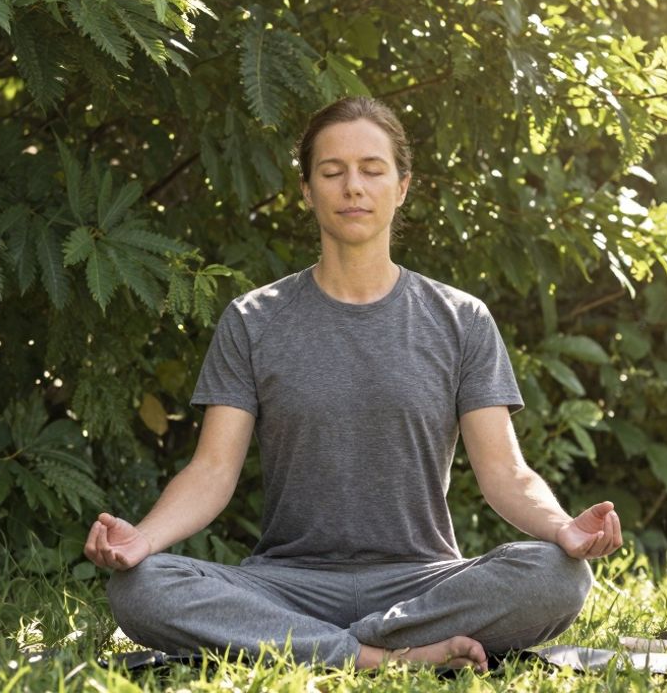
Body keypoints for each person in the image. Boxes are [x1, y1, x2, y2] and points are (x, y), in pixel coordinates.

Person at [84, 96, 623, 673]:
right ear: (307, 191)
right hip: (287, 586)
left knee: (556, 575)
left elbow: (505, 473)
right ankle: (382, 657)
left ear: (402, 186)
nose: (353, 188)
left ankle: (316, 646)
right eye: (332, 172)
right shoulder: (253, 319)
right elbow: (213, 471)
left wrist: (563, 528)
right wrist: (141, 540)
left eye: (372, 170)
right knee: (140, 586)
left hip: (422, 585)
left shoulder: (461, 318)